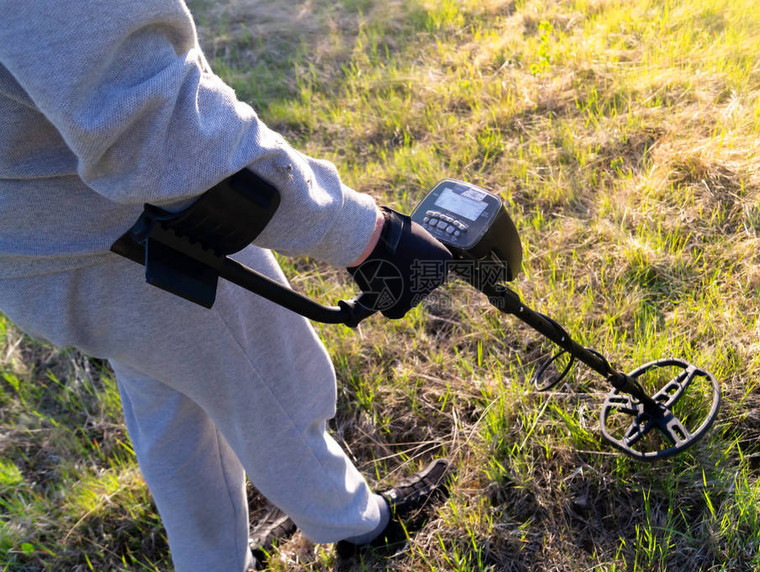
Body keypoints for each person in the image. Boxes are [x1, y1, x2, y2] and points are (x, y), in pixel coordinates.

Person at [0, 1, 453, 570]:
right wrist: (367, 235)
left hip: (39, 252)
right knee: (274, 385)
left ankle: (211, 562)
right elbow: (159, 132)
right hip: (135, 240)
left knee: (172, 408)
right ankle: (359, 526)